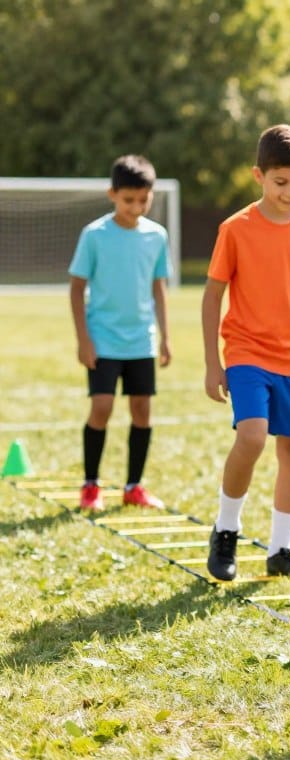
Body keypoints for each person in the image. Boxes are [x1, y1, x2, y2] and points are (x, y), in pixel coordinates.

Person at [202, 124, 290, 582]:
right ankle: (226, 530)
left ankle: (281, 549)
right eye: (281, 182)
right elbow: (211, 295)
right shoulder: (235, 228)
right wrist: (211, 363)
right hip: (245, 350)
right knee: (253, 437)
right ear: (258, 175)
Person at [68, 155, 171, 512]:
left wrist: (165, 336)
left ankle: (133, 487)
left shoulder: (157, 236)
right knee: (102, 407)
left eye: (144, 200)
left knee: (142, 410)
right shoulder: (95, 235)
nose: (137, 207)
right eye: (129, 200)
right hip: (103, 339)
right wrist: (84, 339)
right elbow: (76, 287)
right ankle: (91, 485)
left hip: (141, 339)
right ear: (113, 194)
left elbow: (159, 288)